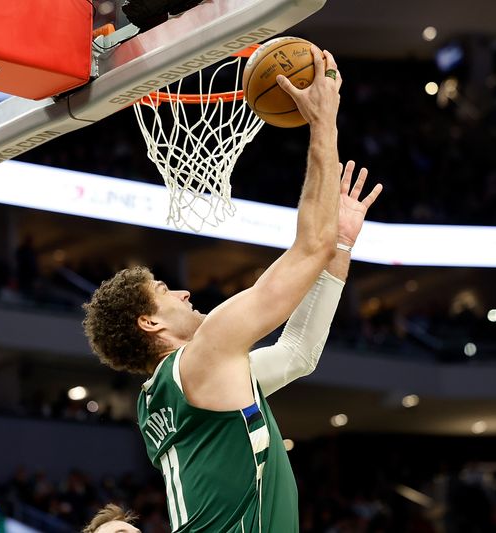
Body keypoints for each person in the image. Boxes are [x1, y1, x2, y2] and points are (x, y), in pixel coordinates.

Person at [83, 46, 382, 531]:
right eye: (163, 290)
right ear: (150, 322)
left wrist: (341, 244)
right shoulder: (204, 355)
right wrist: (322, 120)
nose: (182, 294)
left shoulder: (168, 395)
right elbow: (309, 247)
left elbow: (297, 354)